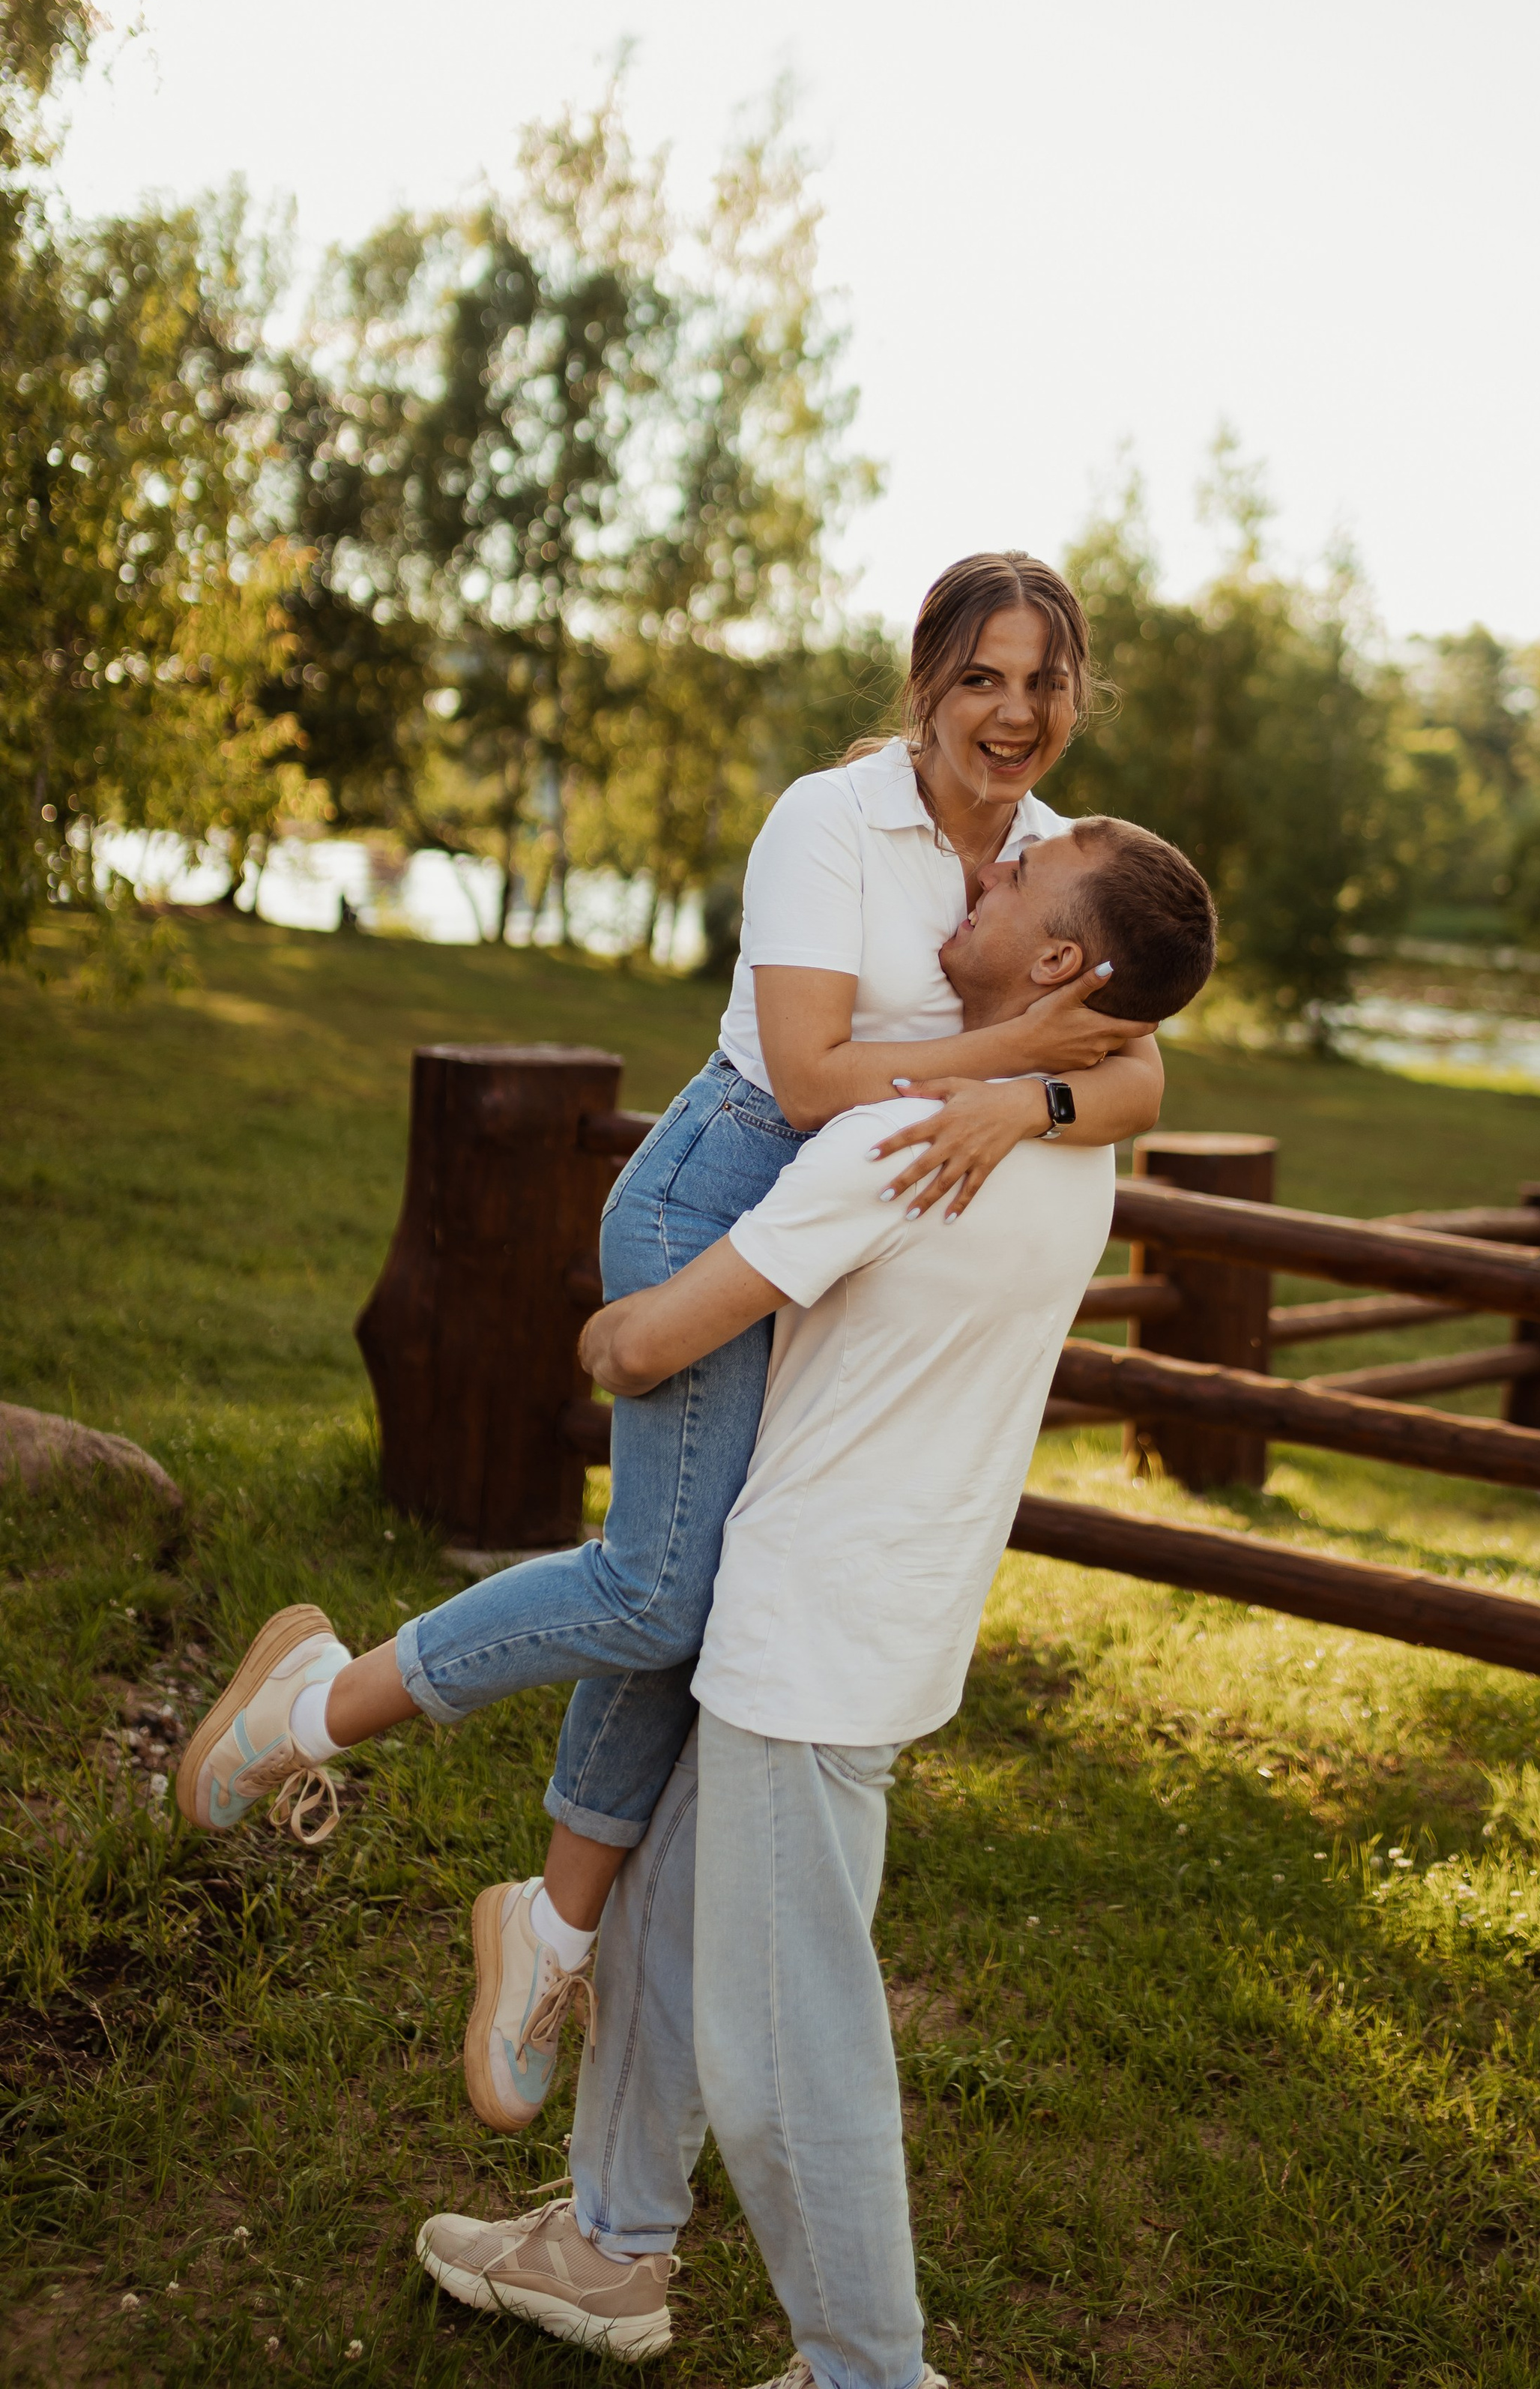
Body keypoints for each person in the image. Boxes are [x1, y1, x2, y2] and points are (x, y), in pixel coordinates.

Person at [176, 552, 1165, 2126]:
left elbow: (1139, 1078)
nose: (1013, 710)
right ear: (925, 680)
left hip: (845, 1241)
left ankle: (551, 1931)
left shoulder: (1055, 860)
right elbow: (804, 1075)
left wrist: (1026, 1097)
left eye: (1043, 680)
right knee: (658, 1586)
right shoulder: (828, 821)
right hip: (720, 1195)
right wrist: (1017, 1054)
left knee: (698, 1596)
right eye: (981, 675)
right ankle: (312, 1710)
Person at [409, 813, 1219, 2375]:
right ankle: (608, 2245)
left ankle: (867, 2368)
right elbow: (1117, 1077)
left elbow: (646, 1345)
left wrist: (601, 1332)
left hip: (810, 1630)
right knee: (661, 1920)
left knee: (789, 2043)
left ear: (1061, 958)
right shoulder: (1070, 1144)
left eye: (1013, 878)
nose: (980, 874)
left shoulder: (896, 1140)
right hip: (878, 1608)